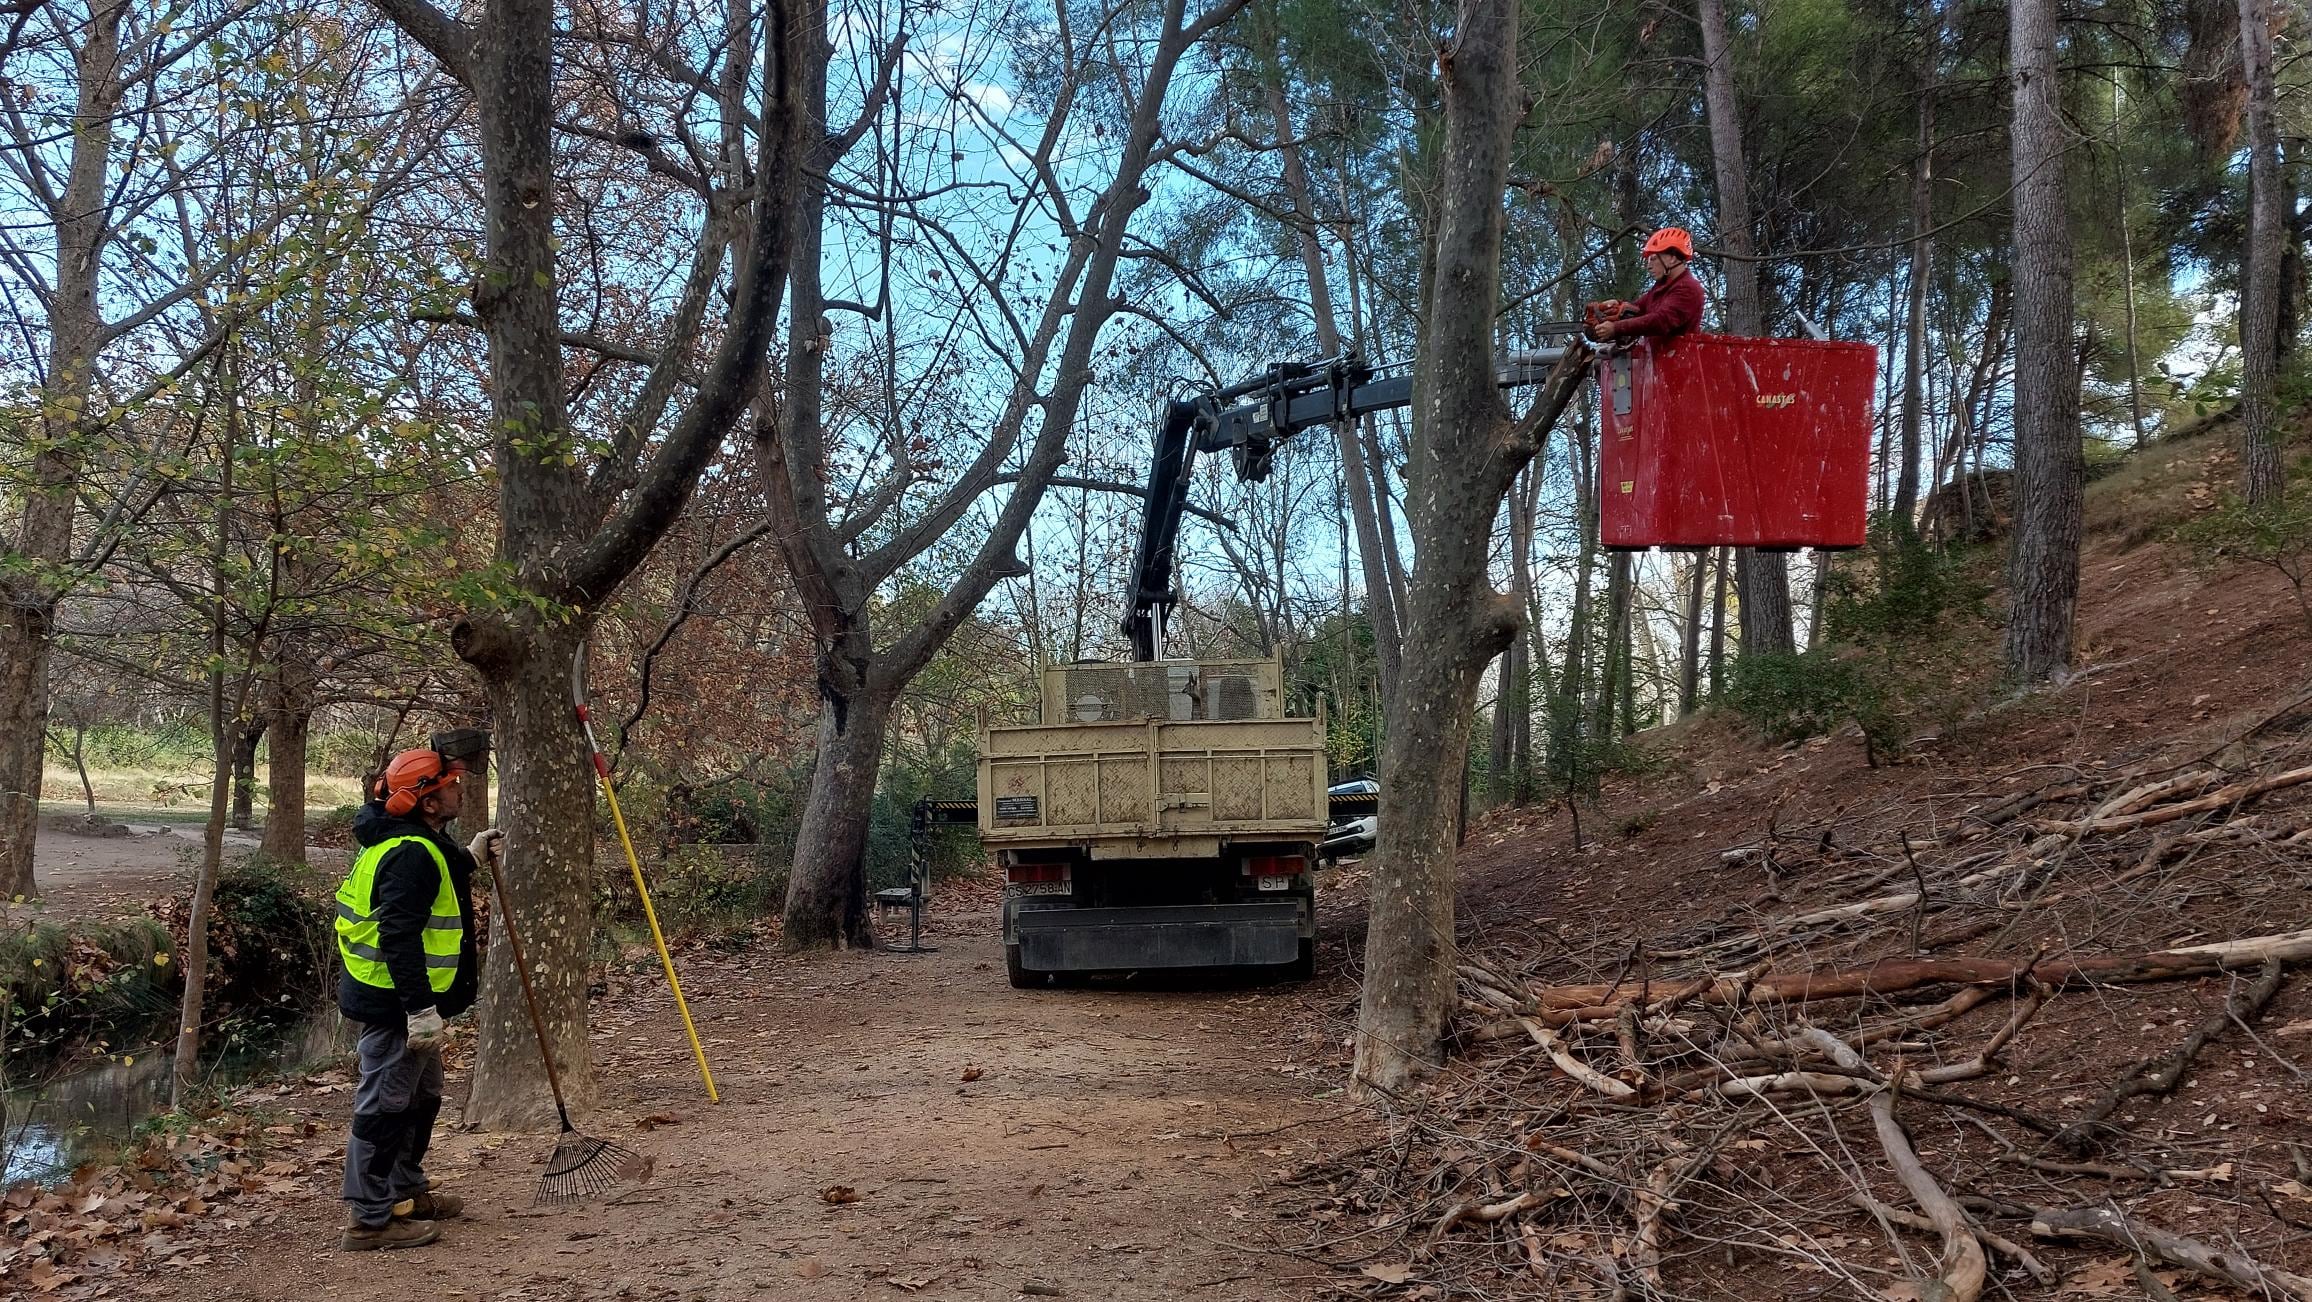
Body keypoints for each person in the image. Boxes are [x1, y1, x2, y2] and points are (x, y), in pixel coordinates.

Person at [334, 746, 500, 1251]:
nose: (459, 789)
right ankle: (370, 1218)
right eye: (451, 784)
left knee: (421, 1099)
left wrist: (469, 857)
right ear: (428, 801)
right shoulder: (409, 855)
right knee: (385, 1105)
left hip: (406, 998)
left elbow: (438, 864)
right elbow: (398, 936)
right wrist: (419, 1010)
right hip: (395, 1002)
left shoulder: (414, 838)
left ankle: (405, 1190)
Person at [1587, 227, 1706, 343]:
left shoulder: (1688, 288)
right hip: (1662, 358)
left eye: (1653, 259)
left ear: (1672, 259)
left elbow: (1661, 321)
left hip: (1681, 359)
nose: (1649, 266)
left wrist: (1616, 328)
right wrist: (1617, 307)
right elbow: (1637, 309)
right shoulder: (1661, 288)